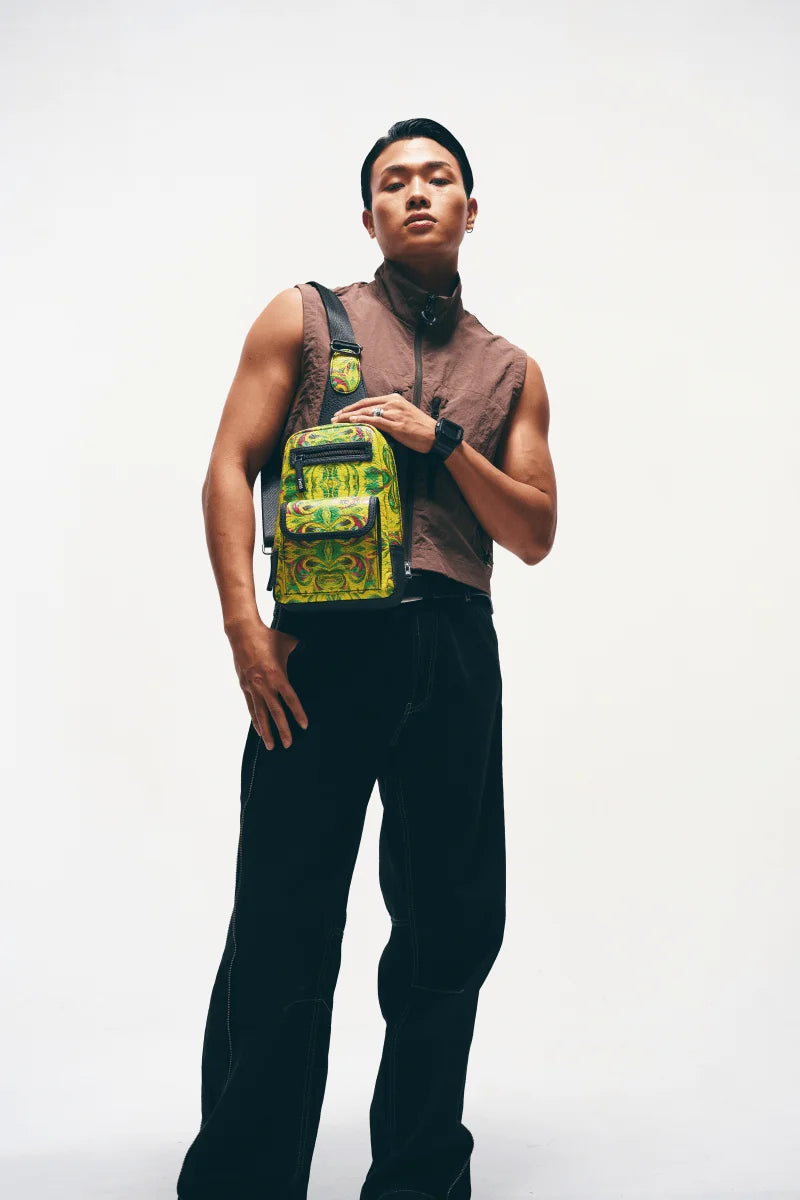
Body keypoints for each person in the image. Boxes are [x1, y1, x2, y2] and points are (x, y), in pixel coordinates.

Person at [176, 117, 557, 1200]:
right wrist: (245, 631)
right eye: (394, 183)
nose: (417, 194)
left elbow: (532, 531)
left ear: (470, 209)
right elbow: (225, 468)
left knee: (451, 926)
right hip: (320, 647)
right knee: (284, 923)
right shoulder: (303, 319)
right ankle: (244, 1183)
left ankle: (418, 1180)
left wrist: (442, 444)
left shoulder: (509, 370)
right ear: (368, 215)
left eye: (438, 178)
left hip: (450, 646)